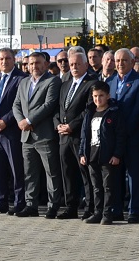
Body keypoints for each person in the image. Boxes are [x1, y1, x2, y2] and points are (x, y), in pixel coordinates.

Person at [12, 50, 62, 218]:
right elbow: (16, 104)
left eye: (38, 63)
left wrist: (29, 121)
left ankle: (53, 205)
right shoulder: (24, 82)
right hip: (26, 136)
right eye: (31, 63)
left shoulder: (53, 81)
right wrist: (21, 121)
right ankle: (30, 205)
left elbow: (49, 105)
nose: (34, 66)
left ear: (46, 64)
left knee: (51, 172)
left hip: (44, 135)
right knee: (29, 172)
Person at [107, 49, 139, 222]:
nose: (120, 64)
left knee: (134, 175)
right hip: (114, 138)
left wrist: (125, 130)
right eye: (117, 60)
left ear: (132, 62)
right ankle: (116, 209)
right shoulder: (110, 81)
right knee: (115, 175)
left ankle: (134, 210)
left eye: (124, 60)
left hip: (133, 136)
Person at [54, 47, 95, 219]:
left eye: (78, 64)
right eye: (71, 64)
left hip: (80, 137)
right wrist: (58, 125)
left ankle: (90, 208)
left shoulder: (91, 84)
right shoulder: (65, 85)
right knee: (67, 173)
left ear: (86, 65)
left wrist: (72, 125)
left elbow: (88, 110)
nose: (74, 67)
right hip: (64, 137)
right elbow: (58, 109)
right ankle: (70, 206)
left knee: (85, 173)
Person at [0, 48, 25, 214]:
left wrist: (5, 121)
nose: (4, 62)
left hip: (11, 131)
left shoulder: (21, 79)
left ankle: (19, 202)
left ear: (13, 60)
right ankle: (0, 201)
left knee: (16, 169)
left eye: (7, 58)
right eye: (1, 59)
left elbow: (19, 103)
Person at [78, 80, 124, 225]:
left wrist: (117, 154)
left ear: (108, 96)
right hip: (92, 154)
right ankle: (97, 212)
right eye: (95, 96)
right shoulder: (89, 112)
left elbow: (120, 135)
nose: (98, 99)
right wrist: (82, 153)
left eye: (101, 96)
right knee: (96, 187)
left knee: (108, 186)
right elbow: (84, 135)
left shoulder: (114, 112)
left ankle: (107, 213)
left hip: (107, 156)